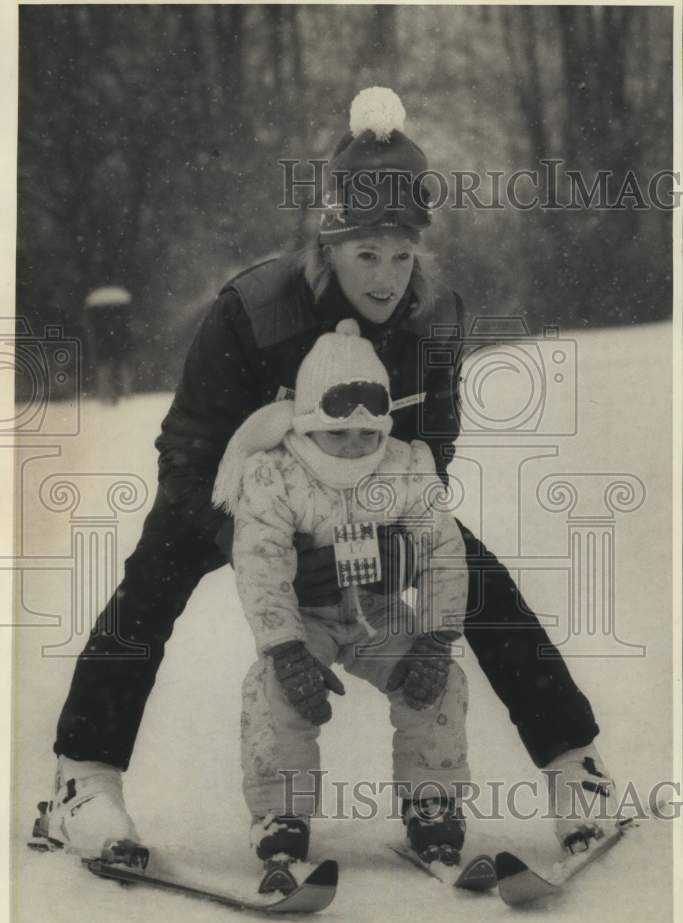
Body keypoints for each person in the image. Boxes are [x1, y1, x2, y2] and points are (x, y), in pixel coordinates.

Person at [43, 87, 614, 863]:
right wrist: (263, 537)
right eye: (365, 254)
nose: (385, 277)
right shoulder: (252, 310)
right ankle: (84, 780)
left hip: (369, 494)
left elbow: (432, 447)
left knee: (478, 577)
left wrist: (386, 534)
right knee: (151, 578)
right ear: (329, 245)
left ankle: (573, 767)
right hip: (246, 496)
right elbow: (185, 452)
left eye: (402, 254)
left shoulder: (434, 316)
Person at [211, 319, 469, 888]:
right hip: (305, 618)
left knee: (439, 682)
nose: (355, 446)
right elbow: (261, 560)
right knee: (277, 691)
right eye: (338, 432)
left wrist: (435, 633)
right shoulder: (274, 472)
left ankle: (433, 804)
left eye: (367, 433)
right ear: (307, 422)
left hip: (377, 611)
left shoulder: (403, 464)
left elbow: (442, 549)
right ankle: (282, 814)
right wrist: (284, 646)